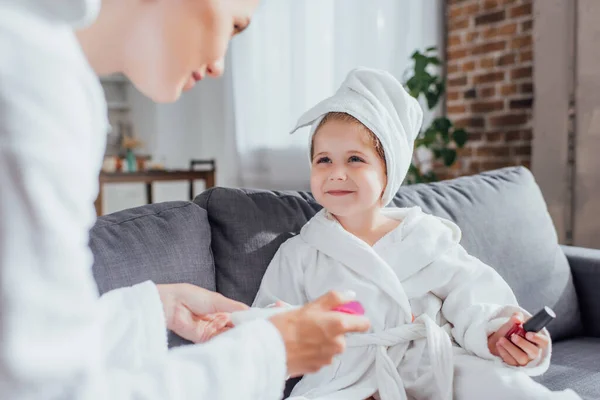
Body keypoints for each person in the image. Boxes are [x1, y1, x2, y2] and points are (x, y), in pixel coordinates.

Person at [0, 0, 370, 399]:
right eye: (233, 25)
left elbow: (30, 344)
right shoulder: (34, 89)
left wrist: (153, 309)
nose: (218, 66)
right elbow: (49, 390)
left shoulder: (35, 58)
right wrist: (270, 353)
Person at [253, 67, 582, 400]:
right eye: (323, 160)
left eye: (355, 159)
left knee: (504, 386)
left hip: (435, 362)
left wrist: (498, 334)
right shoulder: (301, 252)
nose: (336, 173)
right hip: (345, 376)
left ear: (388, 171)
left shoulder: (425, 237)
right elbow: (269, 326)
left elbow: (473, 297)